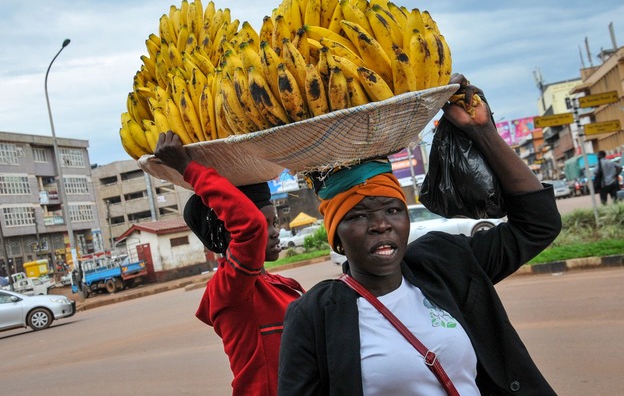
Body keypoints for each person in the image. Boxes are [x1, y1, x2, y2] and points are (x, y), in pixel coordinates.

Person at [277, 74, 563, 395]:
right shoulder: (314, 316)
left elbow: (538, 224)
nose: (381, 224)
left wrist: (481, 131)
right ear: (336, 236)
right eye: (358, 215)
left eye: (393, 210)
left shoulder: (446, 263)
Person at [153, 131, 305, 396]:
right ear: (229, 231)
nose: (274, 231)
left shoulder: (283, 285)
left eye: (274, 222)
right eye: (264, 223)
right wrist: (186, 167)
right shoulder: (230, 289)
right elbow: (251, 229)